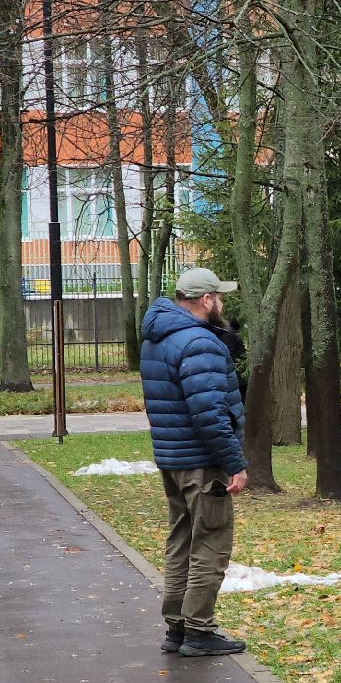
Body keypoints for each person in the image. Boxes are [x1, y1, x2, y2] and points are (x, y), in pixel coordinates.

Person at [140, 268, 249, 657]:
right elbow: (209, 412)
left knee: (181, 540)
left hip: (173, 458)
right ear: (206, 300)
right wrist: (235, 462)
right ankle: (199, 631)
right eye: (219, 297)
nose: (222, 304)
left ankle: (177, 627)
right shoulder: (199, 343)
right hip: (202, 461)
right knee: (211, 544)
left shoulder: (159, 338)